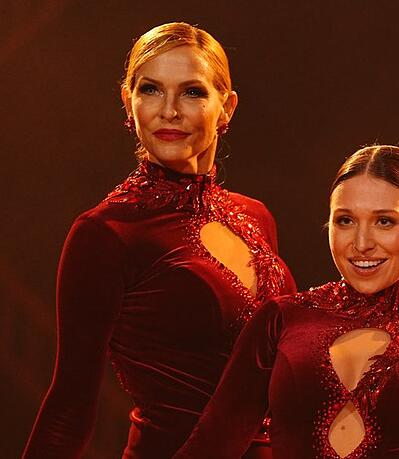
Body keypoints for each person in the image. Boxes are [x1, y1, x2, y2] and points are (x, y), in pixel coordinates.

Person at [23, 22, 295, 458]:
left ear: (226, 107)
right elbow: (68, 410)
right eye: (150, 90)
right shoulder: (106, 233)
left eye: (192, 92)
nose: (169, 110)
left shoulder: (256, 217)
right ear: (127, 102)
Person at [173, 145, 399, 458]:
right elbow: (210, 445)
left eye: (384, 221)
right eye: (345, 220)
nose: (361, 243)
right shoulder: (280, 320)